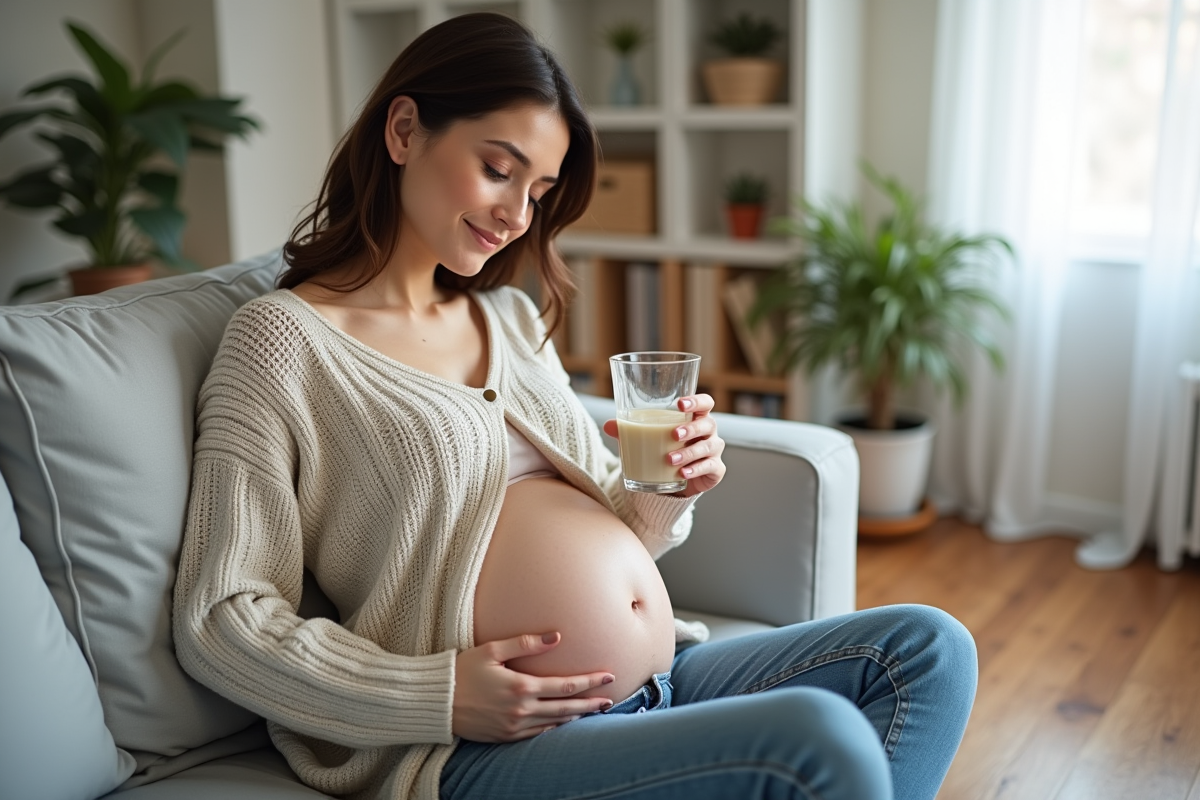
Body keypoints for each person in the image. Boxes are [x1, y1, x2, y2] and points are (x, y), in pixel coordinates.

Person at [173, 12, 977, 800]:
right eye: (499, 169)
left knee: (930, 650)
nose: (517, 215)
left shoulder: (511, 318)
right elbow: (221, 619)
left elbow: (625, 527)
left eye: (539, 191)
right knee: (817, 739)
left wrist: (667, 490)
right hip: (483, 745)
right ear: (406, 130)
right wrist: (438, 694)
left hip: (664, 677)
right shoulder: (282, 341)